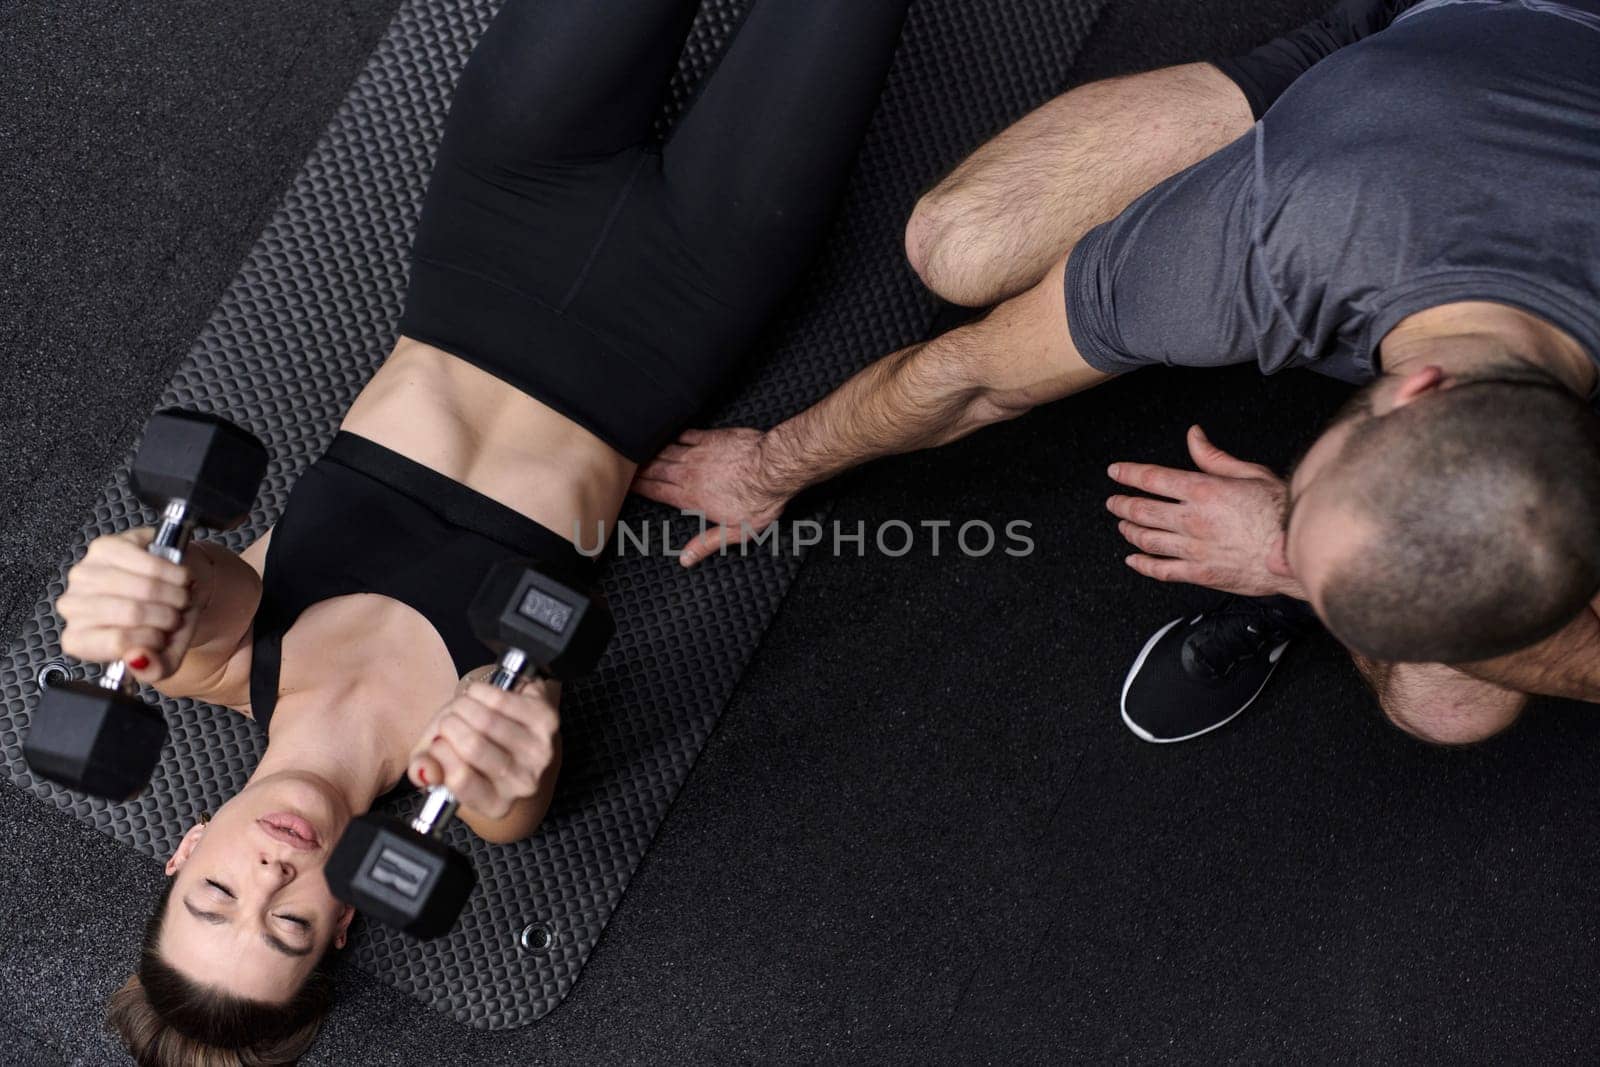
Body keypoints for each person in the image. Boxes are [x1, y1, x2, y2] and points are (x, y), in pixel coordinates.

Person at [69, 1, 911, 1062]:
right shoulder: (470, 772)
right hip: (692, 292)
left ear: (182, 851)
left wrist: (140, 583)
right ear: (345, 918)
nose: (270, 875)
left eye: (216, 894)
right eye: (285, 924)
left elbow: (196, 593)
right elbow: (519, 778)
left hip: (500, 208)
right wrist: (517, 751)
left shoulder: (212, 664)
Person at [637, 0, 1600, 745]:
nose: (1287, 522)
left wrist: (1281, 556)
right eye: (1301, 508)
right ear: (1415, 392)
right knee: (961, 246)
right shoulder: (1264, 246)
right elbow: (974, 376)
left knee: (1450, 708)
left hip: (1470, 118)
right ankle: (1345, 58)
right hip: (1437, 58)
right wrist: (771, 466)